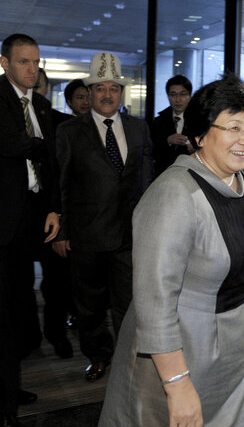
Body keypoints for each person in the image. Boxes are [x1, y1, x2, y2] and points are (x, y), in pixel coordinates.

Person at [99, 76, 244, 427]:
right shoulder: (174, 193)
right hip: (180, 355)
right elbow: (153, 301)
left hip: (233, 351)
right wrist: (176, 385)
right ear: (201, 135)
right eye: (234, 127)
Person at [53, 52, 154, 382]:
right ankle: (98, 356)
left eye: (114, 88)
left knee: (129, 304)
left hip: (128, 235)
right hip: (86, 235)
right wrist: (62, 232)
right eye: (100, 88)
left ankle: (129, 357)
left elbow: (147, 182)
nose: (107, 94)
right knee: (90, 305)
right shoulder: (69, 132)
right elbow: (62, 184)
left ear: (121, 93)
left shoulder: (139, 129)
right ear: (90, 92)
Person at [0, 34, 60, 425]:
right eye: (23, 62)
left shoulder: (39, 104)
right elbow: (15, 144)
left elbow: (51, 163)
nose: (32, 69)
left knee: (21, 309)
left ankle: (9, 386)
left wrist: (54, 208)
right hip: (3, 221)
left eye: (36, 62)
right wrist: (41, 145)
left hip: (32, 218)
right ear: (4, 63)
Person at [31, 68, 75, 359]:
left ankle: (56, 334)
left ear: (46, 89)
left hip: (51, 215)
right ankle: (26, 339)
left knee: (55, 281)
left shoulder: (63, 125)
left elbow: (65, 177)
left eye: (38, 85)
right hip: (17, 217)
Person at [150, 74, 194, 175]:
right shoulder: (158, 121)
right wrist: (167, 141)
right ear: (168, 96)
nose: (178, 99)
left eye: (182, 94)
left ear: (189, 96)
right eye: (173, 95)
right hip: (164, 174)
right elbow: (150, 151)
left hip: (190, 174)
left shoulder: (199, 120)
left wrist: (195, 148)